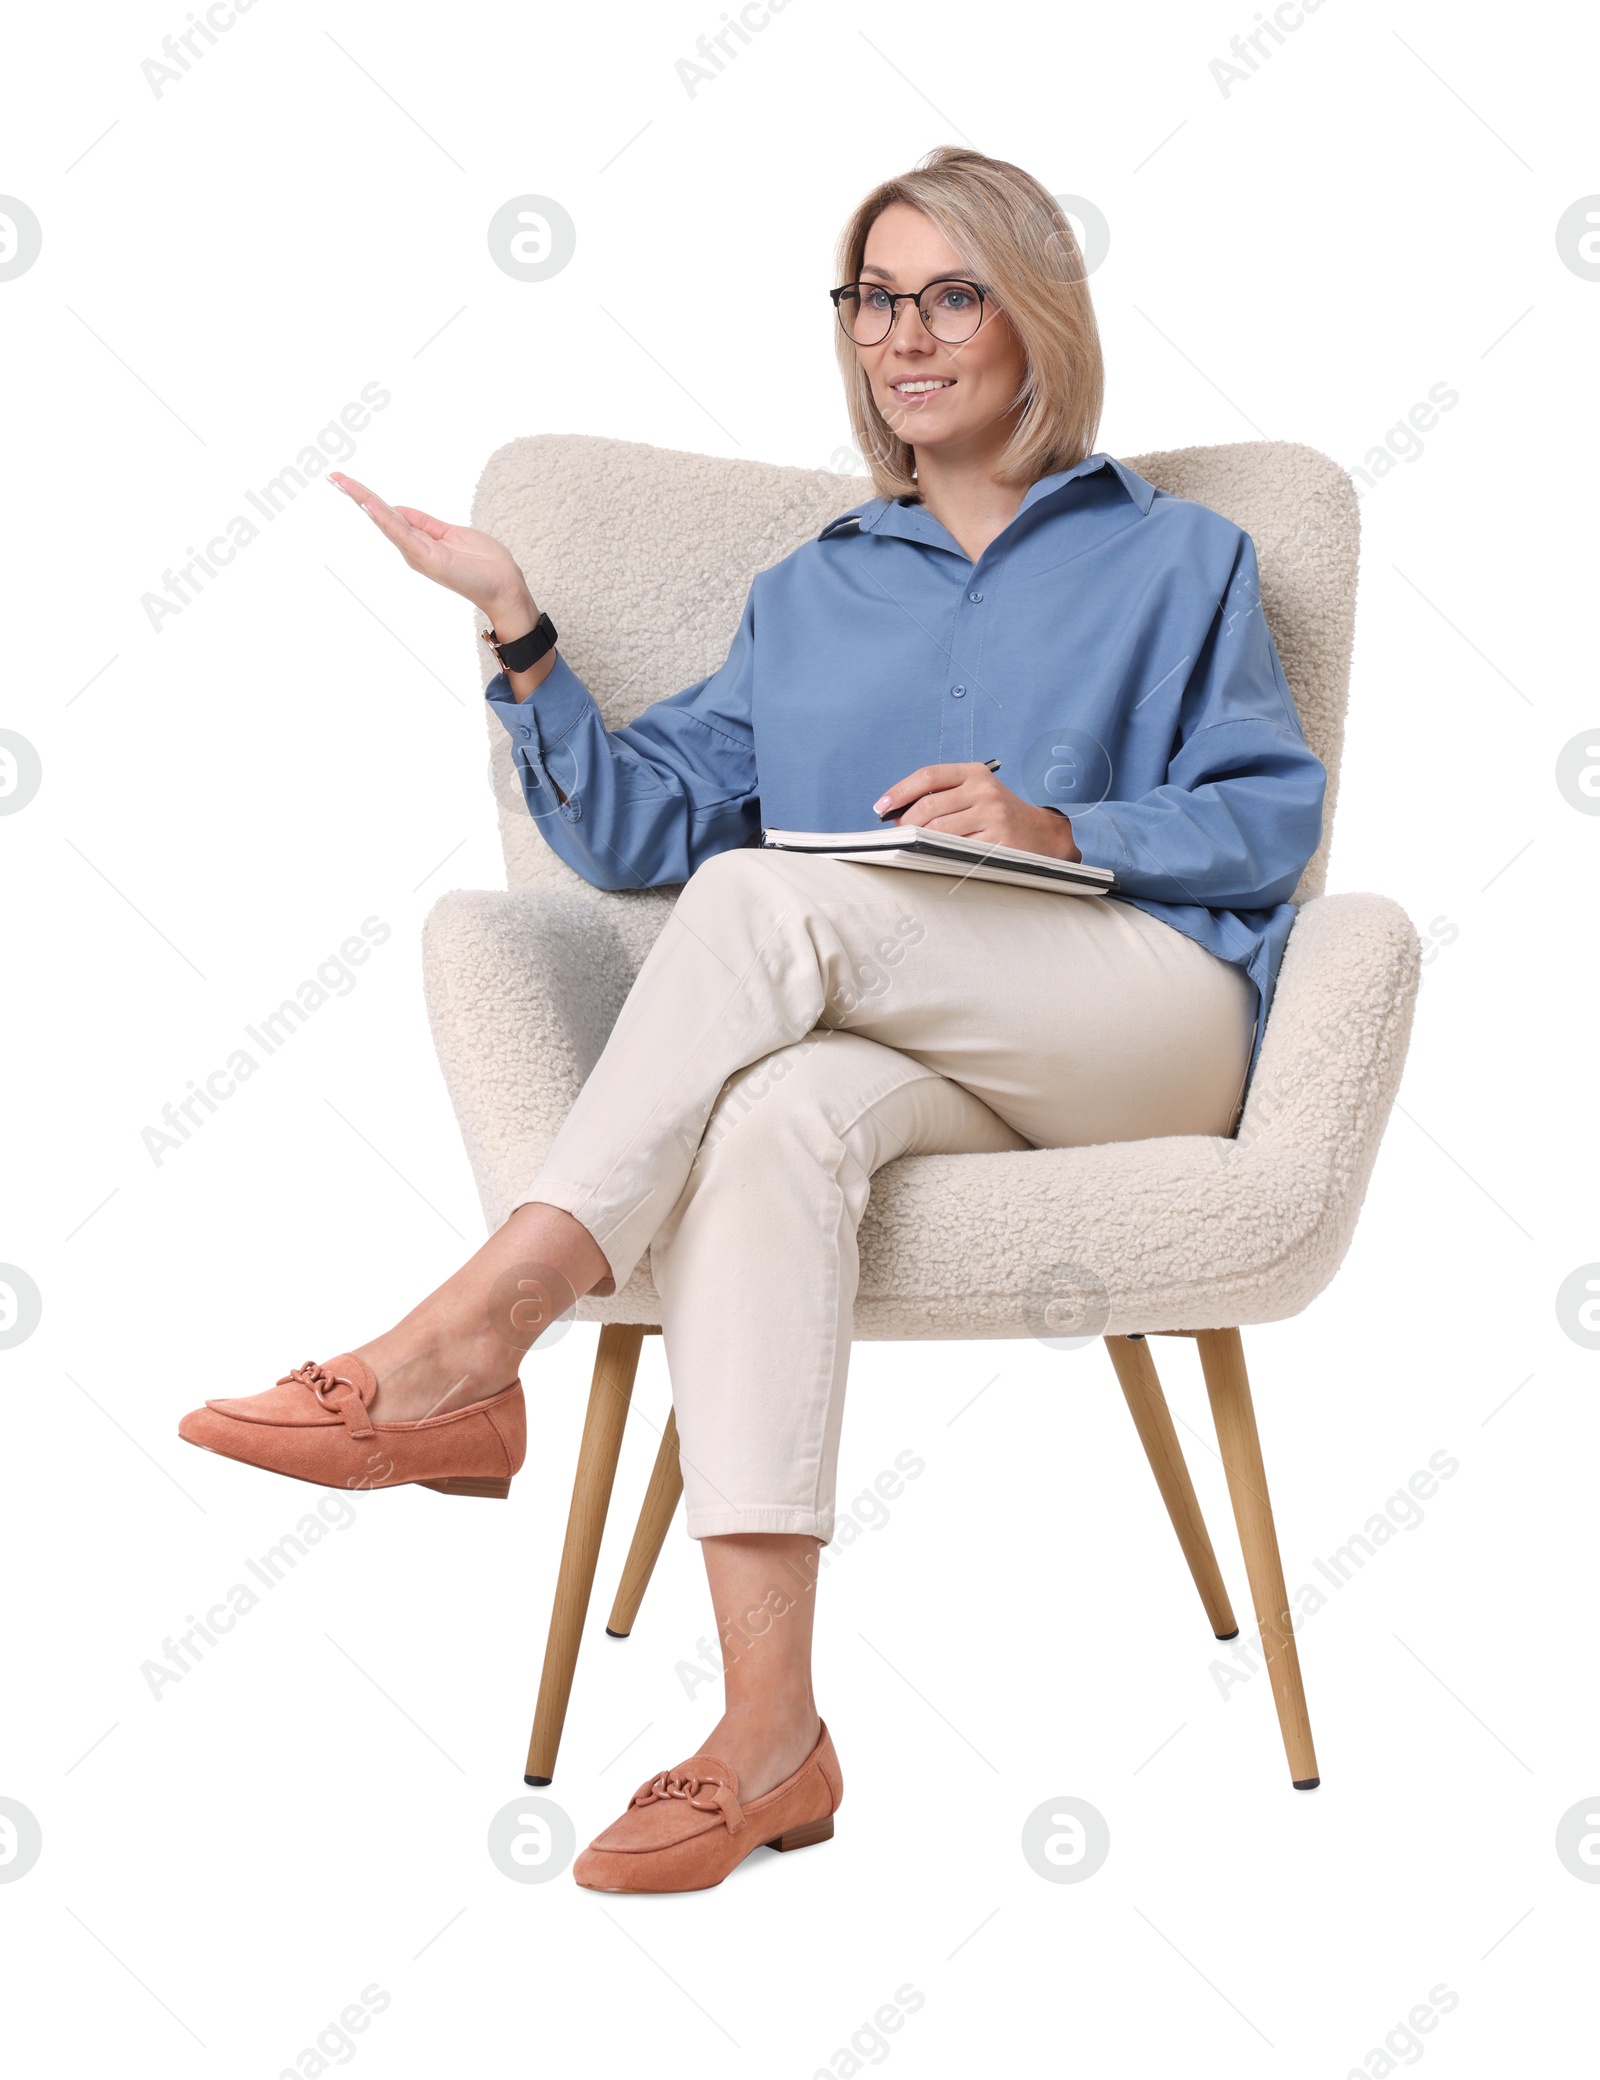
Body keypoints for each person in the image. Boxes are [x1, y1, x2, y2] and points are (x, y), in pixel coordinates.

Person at [178, 146, 1325, 1894]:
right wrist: (518, 628)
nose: (905, 334)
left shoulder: (1188, 560)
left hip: (1138, 1023)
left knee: (766, 903)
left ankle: (482, 1331)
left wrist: (1061, 825)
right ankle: (770, 1737)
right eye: (875, 297)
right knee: (777, 1123)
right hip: (916, 1047)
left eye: (951, 294)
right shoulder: (812, 591)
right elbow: (646, 829)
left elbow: (1271, 817)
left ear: (1036, 319)